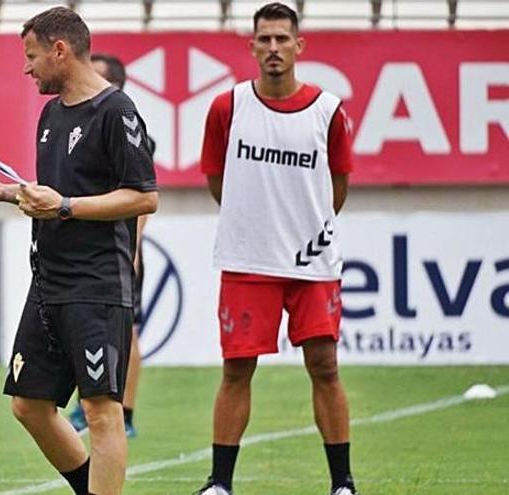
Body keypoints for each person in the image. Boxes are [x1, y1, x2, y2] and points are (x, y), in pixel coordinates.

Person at [0, 7, 157, 494]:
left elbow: (143, 196)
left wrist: (66, 205)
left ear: (60, 50)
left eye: (31, 57)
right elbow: (51, 195)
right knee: (28, 404)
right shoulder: (51, 114)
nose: (26, 68)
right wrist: (7, 193)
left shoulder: (118, 111)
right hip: (49, 282)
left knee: (100, 410)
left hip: (96, 285)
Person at [195, 3, 357, 495]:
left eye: (282, 39)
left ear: (298, 45)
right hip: (247, 261)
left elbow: (340, 185)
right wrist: (255, 226)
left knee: (325, 367)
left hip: (312, 264)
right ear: (252, 46)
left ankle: (342, 484)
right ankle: (220, 484)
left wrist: (305, 231)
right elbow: (218, 179)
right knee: (237, 370)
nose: (273, 49)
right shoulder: (228, 106)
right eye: (264, 40)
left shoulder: (328, 110)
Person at [69, 52, 153, 438]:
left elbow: (142, 198)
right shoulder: (79, 123)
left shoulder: (129, 126)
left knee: (125, 332)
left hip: (121, 248)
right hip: (87, 250)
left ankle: (127, 412)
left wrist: (133, 250)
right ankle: (86, 405)